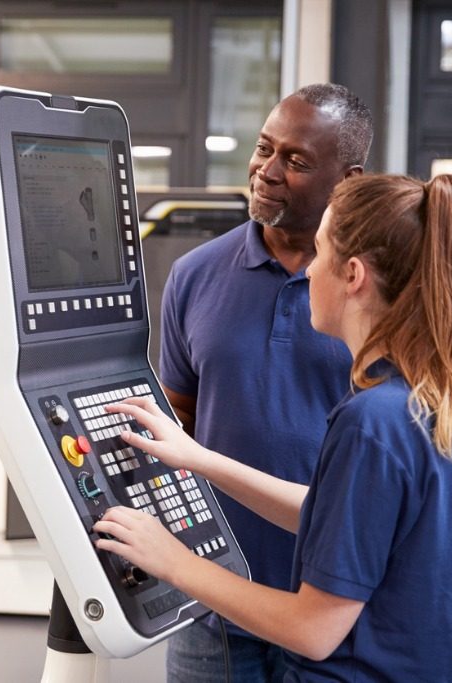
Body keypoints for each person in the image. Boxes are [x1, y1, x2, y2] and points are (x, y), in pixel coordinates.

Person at [97, 173, 452, 680]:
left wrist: (172, 560)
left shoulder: (372, 423)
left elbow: (313, 628)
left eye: (320, 254)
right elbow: (336, 518)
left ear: (352, 275)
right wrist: (198, 458)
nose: (308, 273)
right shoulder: (448, 402)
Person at [156, 82, 373, 680]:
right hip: (217, 601)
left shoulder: (370, 291)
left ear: (348, 180)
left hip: (337, 602)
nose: (267, 171)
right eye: (264, 149)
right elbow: (179, 422)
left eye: (296, 161)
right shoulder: (194, 275)